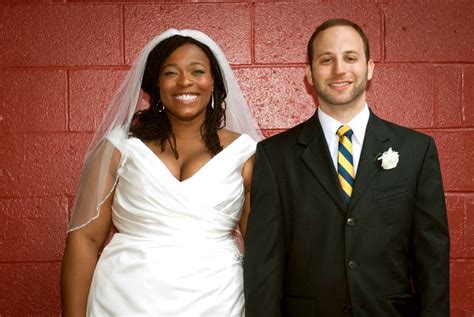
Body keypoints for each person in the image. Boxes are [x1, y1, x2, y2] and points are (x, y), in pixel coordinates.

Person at [244, 18, 449, 316]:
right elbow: (263, 265)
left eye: (350, 58)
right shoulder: (274, 157)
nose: (339, 70)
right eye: (326, 60)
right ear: (309, 74)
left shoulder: (417, 151)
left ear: (369, 68)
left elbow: (432, 260)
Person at [61, 29, 261, 316]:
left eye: (197, 71)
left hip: (218, 301)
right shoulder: (120, 146)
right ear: (155, 82)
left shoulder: (246, 153)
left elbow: (260, 248)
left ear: (213, 79)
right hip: (122, 301)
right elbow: (85, 239)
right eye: (170, 72)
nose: (185, 81)